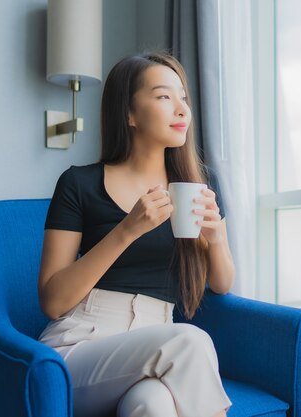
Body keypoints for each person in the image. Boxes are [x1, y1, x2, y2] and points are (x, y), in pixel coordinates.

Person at [37, 51, 234, 417]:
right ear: (129, 113)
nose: (182, 110)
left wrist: (217, 238)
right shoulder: (79, 183)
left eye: (183, 98)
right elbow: (52, 301)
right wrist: (126, 230)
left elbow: (221, 285)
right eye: (163, 96)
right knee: (190, 340)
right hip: (81, 346)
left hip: (156, 346)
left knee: (152, 405)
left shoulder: (193, 186)